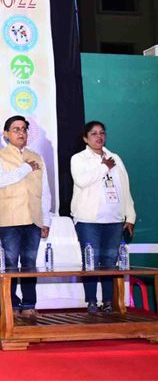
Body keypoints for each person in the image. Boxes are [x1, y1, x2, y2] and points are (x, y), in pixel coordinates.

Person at [70, 121, 135, 314]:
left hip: (114, 219)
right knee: (91, 261)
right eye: (94, 134)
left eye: (102, 133)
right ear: (85, 138)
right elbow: (81, 181)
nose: (99, 137)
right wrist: (104, 167)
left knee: (109, 262)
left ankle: (108, 301)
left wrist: (130, 216)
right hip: (88, 220)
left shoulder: (115, 158)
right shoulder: (79, 159)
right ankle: (91, 301)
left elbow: (125, 188)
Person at [0, 115, 52, 317]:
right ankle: (11, 305)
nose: (21, 133)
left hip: (33, 219)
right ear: (6, 134)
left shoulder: (37, 157)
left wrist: (46, 220)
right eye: (16, 129)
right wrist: (26, 168)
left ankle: (29, 305)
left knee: (29, 265)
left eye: (24, 129)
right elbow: (0, 181)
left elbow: (45, 191)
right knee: (10, 265)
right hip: (10, 219)